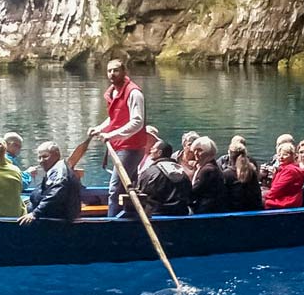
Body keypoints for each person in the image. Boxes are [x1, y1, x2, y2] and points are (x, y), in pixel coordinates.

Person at [88, 59, 150, 217]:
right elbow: (114, 118)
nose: (112, 74)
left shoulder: (134, 93)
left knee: (115, 189)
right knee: (130, 186)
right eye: (109, 71)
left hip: (131, 147)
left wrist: (110, 135)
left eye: (116, 70)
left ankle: (112, 222)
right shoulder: (112, 92)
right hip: (118, 145)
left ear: (124, 72)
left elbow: (137, 122)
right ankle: (131, 216)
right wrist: (100, 128)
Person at [19, 142, 82, 222]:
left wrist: (34, 213)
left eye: (45, 156)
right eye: (39, 158)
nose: (41, 161)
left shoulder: (60, 173)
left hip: (57, 221)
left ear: (56, 155)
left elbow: (55, 195)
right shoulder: (56, 168)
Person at [137, 140, 192, 216]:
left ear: (159, 153)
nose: (150, 150)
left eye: (153, 148)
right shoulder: (182, 172)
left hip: (156, 214)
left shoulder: (149, 172)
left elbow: (141, 194)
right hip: (181, 213)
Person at [189, 136, 229, 214]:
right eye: (195, 150)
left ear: (209, 153)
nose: (196, 153)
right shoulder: (211, 167)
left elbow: (194, 191)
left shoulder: (208, 170)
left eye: (200, 150)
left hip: (207, 210)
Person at [263, 141, 303, 209]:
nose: (281, 157)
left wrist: (263, 196)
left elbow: (277, 189)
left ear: (293, 156)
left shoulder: (290, 170)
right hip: (284, 198)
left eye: (285, 154)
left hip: (287, 201)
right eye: (279, 155)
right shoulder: (283, 168)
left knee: (256, 200)